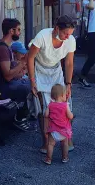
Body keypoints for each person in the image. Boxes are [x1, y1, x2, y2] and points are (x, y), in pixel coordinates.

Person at [28, 15, 77, 153]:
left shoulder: (70, 40)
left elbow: (69, 62)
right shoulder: (42, 36)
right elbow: (30, 58)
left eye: (70, 34)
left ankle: (67, 136)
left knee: (65, 103)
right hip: (40, 70)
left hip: (56, 70)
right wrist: (32, 81)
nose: (68, 37)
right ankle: (46, 140)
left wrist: (68, 83)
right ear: (56, 28)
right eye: (65, 33)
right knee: (44, 107)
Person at [0, 18, 33, 131]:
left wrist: (22, 70)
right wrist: (23, 62)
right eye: (18, 30)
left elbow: (12, 72)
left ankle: (27, 114)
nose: (19, 32)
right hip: (1, 87)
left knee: (33, 82)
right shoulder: (2, 49)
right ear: (11, 31)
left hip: (7, 83)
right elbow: (8, 75)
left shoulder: (7, 47)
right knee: (27, 86)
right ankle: (19, 118)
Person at [43, 84, 73, 165]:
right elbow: (70, 116)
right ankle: (65, 157)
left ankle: (48, 159)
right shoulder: (65, 105)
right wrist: (71, 114)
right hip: (64, 130)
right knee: (65, 144)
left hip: (53, 130)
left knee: (50, 144)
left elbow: (45, 115)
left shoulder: (50, 105)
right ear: (62, 95)